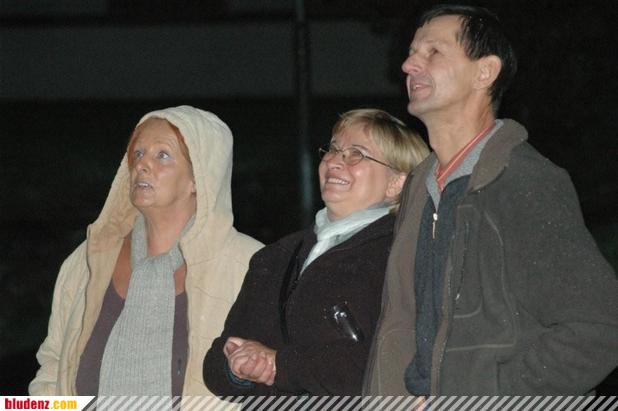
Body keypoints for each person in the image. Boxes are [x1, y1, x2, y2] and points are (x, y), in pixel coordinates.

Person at [363, 4, 618, 396]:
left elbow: (600, 326)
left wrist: (490, 394)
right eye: (412, 53)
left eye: (433, 52)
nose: (409, 65)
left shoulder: (522, 181)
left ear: (485, 72)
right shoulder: (420, 187)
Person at [29, 105, 263, 397]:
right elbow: (53, 364)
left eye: (162, 155)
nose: (142, 165)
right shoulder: (89, 259)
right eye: (138, 153)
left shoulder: (251, 266)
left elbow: (274, 375)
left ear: (199, 178)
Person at [203, 109, 429, 396]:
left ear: (396, 183)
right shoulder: (276, 256)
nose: (334, 161)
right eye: (333, 149)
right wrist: (238, 368)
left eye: (357, 154)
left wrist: (279, 364)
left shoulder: (403, 255)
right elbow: (217, 364)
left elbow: (387, 365)